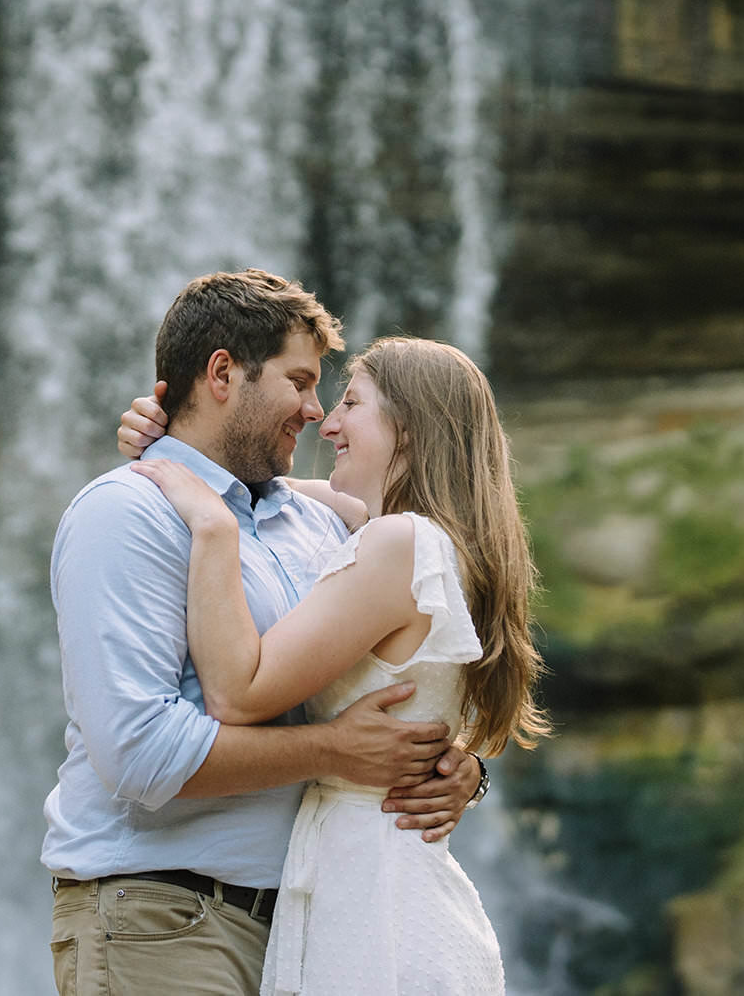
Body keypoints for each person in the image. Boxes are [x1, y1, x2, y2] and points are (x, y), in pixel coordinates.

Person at [43, 270, 485, 996]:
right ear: (222, 372)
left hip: (305, 931)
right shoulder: (125, 514)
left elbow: (408, 644)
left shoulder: (314, 521)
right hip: (164, 918)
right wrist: (335, 750)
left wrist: (452, 766)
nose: (317, 412)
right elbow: (138, 756)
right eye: (302, 381)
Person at [120, 333, 549, 996]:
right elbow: (289, 490)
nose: (329, 420)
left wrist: (213, 527)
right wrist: (175, 444)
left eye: (352, 401)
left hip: (372, 911)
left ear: (407, 428)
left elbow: (236, 694)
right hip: (395, 892)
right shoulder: (444, 544)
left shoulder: (397, 543)